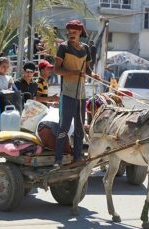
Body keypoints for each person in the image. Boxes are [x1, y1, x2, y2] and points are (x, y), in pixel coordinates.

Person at [54, 19, 100, 167]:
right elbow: (57, 70)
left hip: (81, 94)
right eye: (69, 32)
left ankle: (77, 157)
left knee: (80, 127)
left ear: (80, 32)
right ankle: (58, 159)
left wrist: (93, 75)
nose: (71, 34)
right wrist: (74, 72)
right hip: (67, 93)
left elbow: (87, 70)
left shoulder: (86, 48)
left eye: (74, 32)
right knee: (64, 127)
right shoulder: (63, 47)